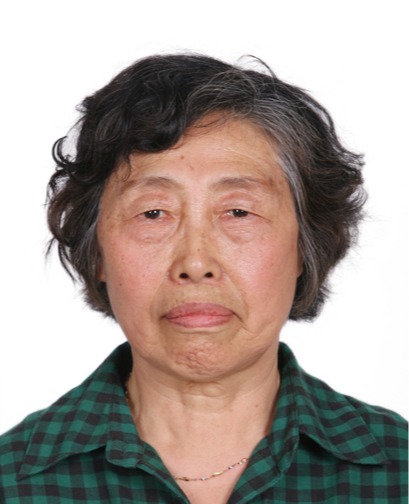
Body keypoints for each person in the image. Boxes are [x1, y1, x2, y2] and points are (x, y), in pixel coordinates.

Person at [0, 53, 407, 504]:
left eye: (239, 212)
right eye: (153, 213)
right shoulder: (12, 481)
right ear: (97, 252)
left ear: (304, 246)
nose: (195, 262)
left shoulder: (398, 472)